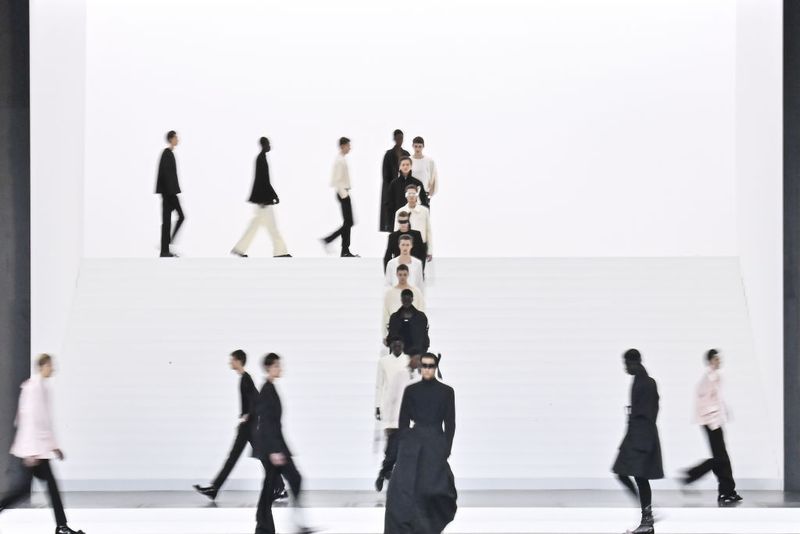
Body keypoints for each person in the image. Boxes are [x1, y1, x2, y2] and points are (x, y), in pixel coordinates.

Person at [0, 354, 86, 534]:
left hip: (38, 450)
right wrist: (32, 452)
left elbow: (43, 422)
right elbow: (28, 420)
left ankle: (61, 526)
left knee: (26, 491)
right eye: (50, 365)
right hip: (34, 452)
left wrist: (53, 446)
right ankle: (61, 527)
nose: (53, 369)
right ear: (43, 366)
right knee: (37, 490)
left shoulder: (41, 387)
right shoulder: (33, 388)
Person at [193, 350, 286, 501]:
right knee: (238, 457)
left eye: (232, 360)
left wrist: (247, 415)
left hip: (250, 428)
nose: (230, 363)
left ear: (238, 361)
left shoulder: (246, 378)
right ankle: (215, 488)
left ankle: (280, 488)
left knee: (257, 457)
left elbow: (257, 399)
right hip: (248, 427)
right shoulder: (244, 378)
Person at [384, 353, 456, 534]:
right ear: (420, 367)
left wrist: (446, 448)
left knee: (434, 489)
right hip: (414, 445)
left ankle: (427, 527)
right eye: (424, 365)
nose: (427, 369)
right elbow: (403, 421)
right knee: (406, 490)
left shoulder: (447, 392)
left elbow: (450, 422)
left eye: (431, 366)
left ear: (435, 367)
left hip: (435, 444)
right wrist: (404, 445)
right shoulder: (411, 390)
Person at [251, 353, 314, 534]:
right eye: (277, 365)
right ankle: (273, 525)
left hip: (276, 447)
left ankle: (265, 526)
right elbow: (266, 424)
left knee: (273, 486)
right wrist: (274, 451)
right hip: (274, 449)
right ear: (269, 367)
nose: (281, 368)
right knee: (288, 481)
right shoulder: (266, 391)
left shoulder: (271, 388)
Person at [681, 349, 743, 505]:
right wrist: (714, 420)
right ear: (710, 361)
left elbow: (716, 400)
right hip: (711, 423)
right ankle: (691, 476)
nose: (719, 361)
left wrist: (723, 413)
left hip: (715, 422)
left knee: (722, 459)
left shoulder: (715, 377)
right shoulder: (707, 379)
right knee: (720, 459)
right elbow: (703, 403)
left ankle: (728, 491)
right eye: (716, 359)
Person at [612, 349, 663, 534]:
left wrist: (635, 436)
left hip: (639, 436)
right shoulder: (645, 381)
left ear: (632, 362)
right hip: (642, 434)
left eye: (626, 363)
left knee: (624, 473)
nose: (625, 367)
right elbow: (655, 409)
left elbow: (644, 413)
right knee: (637, 477)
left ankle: (647, 517)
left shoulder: (642, 383)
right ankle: (647, 518)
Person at [231, 137, 291, 258]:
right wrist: (273, 196)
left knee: (255, 226)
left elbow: (262, 181)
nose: (270, 146)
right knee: (272, 227)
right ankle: (280, 252)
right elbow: (263, 181)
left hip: (262, 201)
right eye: (268, 144)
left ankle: (239, 249)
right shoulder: (261, 159)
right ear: (264, 145)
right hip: (264, 202)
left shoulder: (261, 158)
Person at [374, 339, 421, 492]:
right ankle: (383, 474)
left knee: (408, 453)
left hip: (411, 423)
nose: (418, 361)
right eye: (416, 358)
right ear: (411, 358)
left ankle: (403, 484)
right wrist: (387, 424)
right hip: (396, 421)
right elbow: (390, 398)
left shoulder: (419, 377)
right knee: (392, 453)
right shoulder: (401, 375)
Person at [321, 137, 359, 257]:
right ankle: (331, 242)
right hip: (343, 193)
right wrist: (344, 195)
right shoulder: (339, 161)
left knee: (348, 222)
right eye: (348, 145)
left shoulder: (342, 159)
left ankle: (344, 250)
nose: (350, 147)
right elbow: (336, 181)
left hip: (344, 192)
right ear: (342, 146)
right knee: (349, 222)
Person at [155, 130, 185, 257]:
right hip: (169, 194)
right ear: (171, 139)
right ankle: (165, 249)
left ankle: (165, 248)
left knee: (171, 220)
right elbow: (165, 175)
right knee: (170, 220)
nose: (178, 140)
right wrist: (169, 194)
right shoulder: (166, 154)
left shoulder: (169, 154)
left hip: (170, 193)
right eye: (176, 138)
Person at [382, 264, 425, 338]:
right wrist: (385, 335)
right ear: (396, 275)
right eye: (400, 274)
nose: (402, 277)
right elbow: (386, 314)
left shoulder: (416, 292)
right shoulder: (389, 293)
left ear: (408, 275)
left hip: (413, 331)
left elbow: (421, 310)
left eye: (405, 274)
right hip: (395, 330)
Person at [380, 130, 410, 232]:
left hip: (404, 189)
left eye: (401, 138)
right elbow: (385, 175)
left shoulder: (406, 154)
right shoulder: (388, 154)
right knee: (391, 217)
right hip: (391, 189)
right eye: (397, 138)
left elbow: (409, 170)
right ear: (394, 139)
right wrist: (390, 188)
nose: (399, 141)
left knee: (404, 217)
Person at [394, 185, 432, 262]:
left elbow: (428, 231)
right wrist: (394, 250)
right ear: (406, 195)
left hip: (421, 246)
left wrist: (430, 250)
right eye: (409, 194)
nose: (411, 196)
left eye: (414, 194)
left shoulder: (424, 211)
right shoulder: (399, 212)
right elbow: (396, 232)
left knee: (419, 272)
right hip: (404, 246)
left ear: (417, 195)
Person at [386, 157, 428, 226]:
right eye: (403, 165)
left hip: (415, 217)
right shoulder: (394, 184)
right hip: (398, 218)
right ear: (399, 167)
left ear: (411, 166)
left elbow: (423, 202)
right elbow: (389, 203)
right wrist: (389, 222)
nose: (405, 167)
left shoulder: (418, 183)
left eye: (407, 164)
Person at [386, 289, 430, 355]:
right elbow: (391, 338)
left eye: (408, 298)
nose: (406, 301)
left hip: (417, 356)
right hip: (398, 356)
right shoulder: (394, 317)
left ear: (412, 299)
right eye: (404, 298)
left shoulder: (421, 317)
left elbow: (425, 339)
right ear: (401, 299)